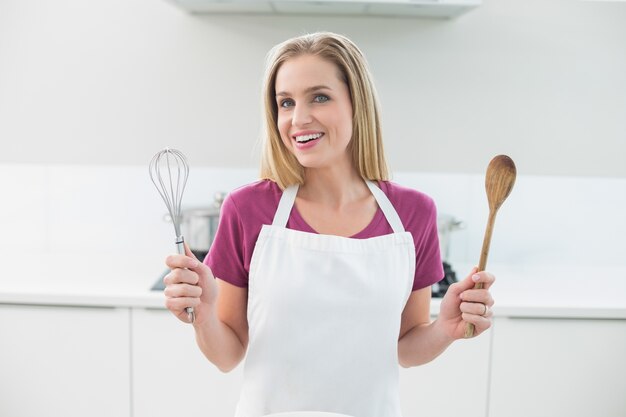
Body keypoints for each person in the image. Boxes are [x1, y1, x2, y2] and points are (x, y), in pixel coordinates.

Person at [163, 32, 495, 417]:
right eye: (285, 103)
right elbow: (228, 353)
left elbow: (405, 346)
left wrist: (445, 329)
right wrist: (204, 315)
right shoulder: (248, 208)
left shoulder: (413, 214)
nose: (298, 119)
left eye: (319, 97)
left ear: (357, 104)